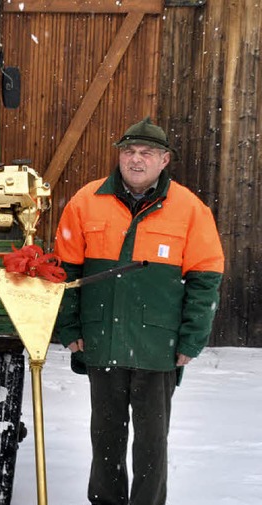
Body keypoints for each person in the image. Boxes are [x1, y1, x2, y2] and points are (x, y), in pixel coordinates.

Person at [53, 117, 224, 505]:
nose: (136, 159)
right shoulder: (85, 202)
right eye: (129, 151)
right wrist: (70, 327)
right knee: (105, 437)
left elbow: (205, 279)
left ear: (164, 160)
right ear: (119, 156)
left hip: (157, 345)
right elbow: (64, 274)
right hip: (102, 340)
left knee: (151, 442)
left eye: (146, 153)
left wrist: (191, 339)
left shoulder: (190, 209)